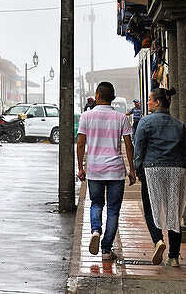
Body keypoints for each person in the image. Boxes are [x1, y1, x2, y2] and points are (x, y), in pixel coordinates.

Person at [133, 87, 186, 267]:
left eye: (150, 99)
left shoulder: (145, 123)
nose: (147, 102)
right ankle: (174, 257)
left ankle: (158, 241)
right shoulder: (179, 125)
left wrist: (138, 170)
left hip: (152, 171)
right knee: (174, 214)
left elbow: (139, 151)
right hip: (176, 171)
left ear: (158, 102)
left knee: (150, 209)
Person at [76, 81, 136, 260]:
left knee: (96, 204)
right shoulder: (121, 118)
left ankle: (95, 231)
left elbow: (80, 144)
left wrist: (81, 167)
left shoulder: (86, 117)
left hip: (95, 169)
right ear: (113, 99)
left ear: (97, 96)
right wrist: (131, 169)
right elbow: (129, 146)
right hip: (115, 170)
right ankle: (106, 250)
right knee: (113, 209)